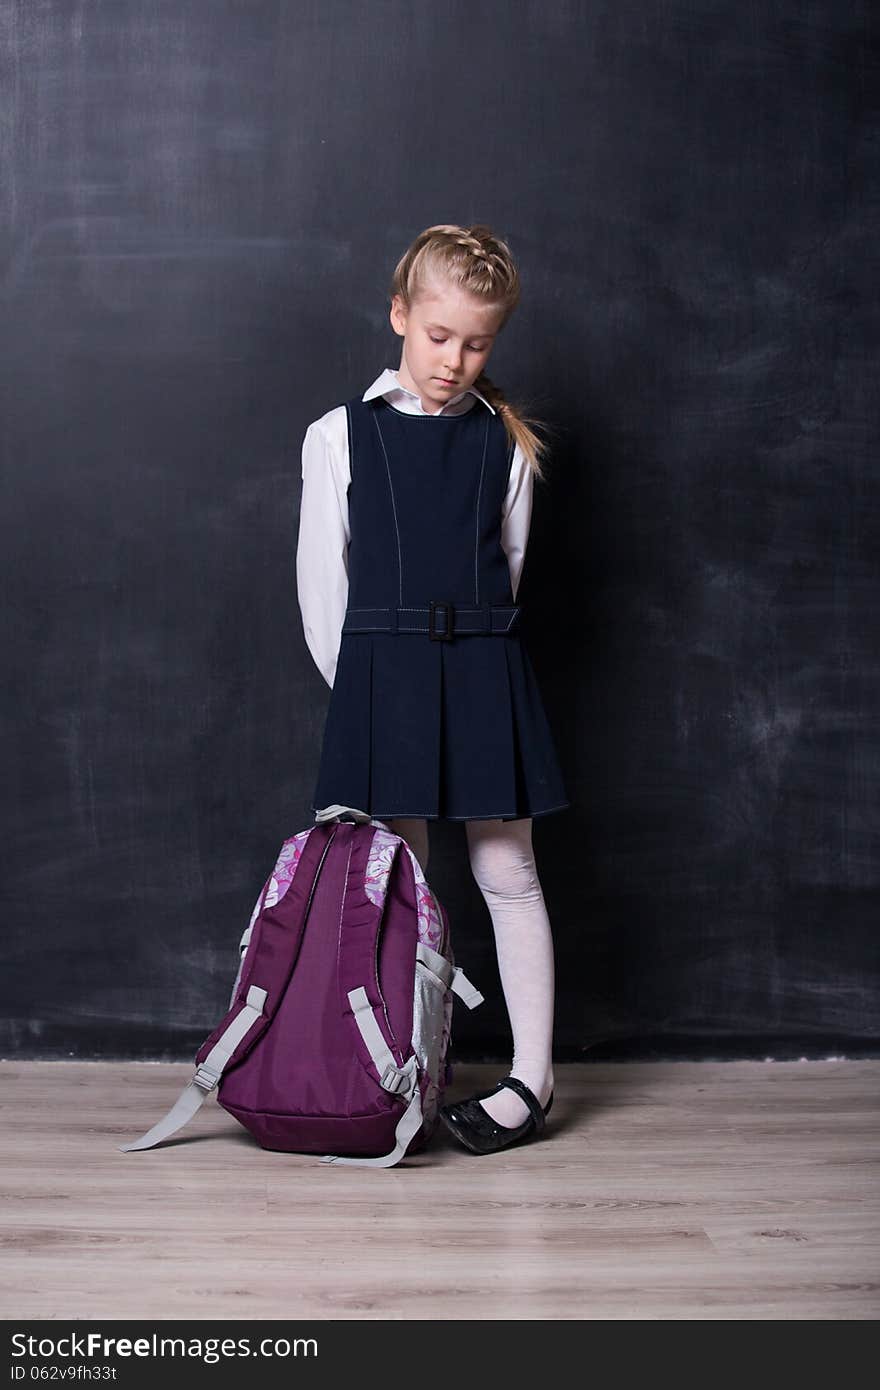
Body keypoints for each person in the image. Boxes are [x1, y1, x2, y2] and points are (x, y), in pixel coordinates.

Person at [295, 223, 570, 1154]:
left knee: (508, 873)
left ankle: (528, 1083)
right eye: (438, 337)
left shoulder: (507, 445)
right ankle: (400, 1070)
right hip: (384, 676)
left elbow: (512, 569)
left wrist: (466, 663)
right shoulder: (338, 436)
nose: (455, 361)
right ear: (400, 316)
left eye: (478, 343)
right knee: (398, 883)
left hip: (484, 668)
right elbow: (321, 592)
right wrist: (378, 693)